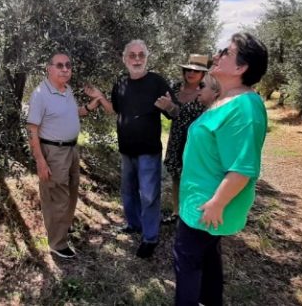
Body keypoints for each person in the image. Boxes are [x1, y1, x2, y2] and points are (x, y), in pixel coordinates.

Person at [173, 32, 269, 305]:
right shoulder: (227, 99)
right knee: (207, 256)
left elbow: (243, 167)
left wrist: (217, 203)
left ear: (241, 68)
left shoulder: (245, 109)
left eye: (225, 52)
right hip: (201, 199)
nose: (217, 55)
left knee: (186, 259)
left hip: (208, 205)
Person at [86, 39, 176, 259]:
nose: (137, 59)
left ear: (147, 57)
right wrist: (99, 97)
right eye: (132, 55)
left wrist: (170, 107)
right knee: (127, 192)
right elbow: (114, 110)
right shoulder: (120, 84)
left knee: (149, 195)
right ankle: (134, 225)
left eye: (141, 55)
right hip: (126, 150)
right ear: (124, 58)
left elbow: (173, 112)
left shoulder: (157, 82)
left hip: (148, 151)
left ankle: (150, 238)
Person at [26, 52, 99, 259]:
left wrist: (88, 107)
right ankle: (57, 244)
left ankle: (63, 228)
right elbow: (32, 128)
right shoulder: (40, 93)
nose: (65, 69)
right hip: (53, 151)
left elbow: (72, 113)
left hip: (71, 149)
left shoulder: (67, 90)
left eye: (68, 65)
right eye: (59, 65)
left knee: (72, 191)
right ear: (49, 68)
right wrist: (40, 160)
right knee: (57, 196)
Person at [160, 54, 211, 225]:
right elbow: (169, 115)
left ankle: (192, 214)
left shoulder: (206, 92)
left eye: (196, 71)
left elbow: (198, 117)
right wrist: (167, 108)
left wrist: (172, 108)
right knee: (176, 174)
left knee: (192, 176)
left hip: (195, 141)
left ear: (203, 74)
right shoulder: (175, 88)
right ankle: (176, 212)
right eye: (188, 69)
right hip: (176, 137)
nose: (191, 73)